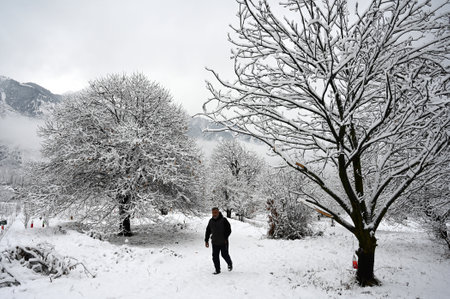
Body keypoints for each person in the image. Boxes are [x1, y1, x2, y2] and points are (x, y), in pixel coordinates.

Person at [204, 207, 233, 274]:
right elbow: (208, 231)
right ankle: (217, 270)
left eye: (216, 212)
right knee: (215, 257)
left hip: (223, 242)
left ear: (218, 212)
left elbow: (229, 230)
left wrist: (225, 238)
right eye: (213, 213)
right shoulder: (211, 221)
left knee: (224, 255)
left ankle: (229, 263)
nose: (214, 214)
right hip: (215, 242)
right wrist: (206, 240)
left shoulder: (224, 220)